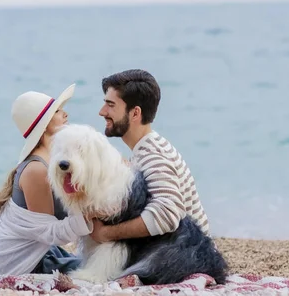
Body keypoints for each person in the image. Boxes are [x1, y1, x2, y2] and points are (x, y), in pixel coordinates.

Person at [0, 83, 93, 281]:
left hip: (38, 251)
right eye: (58, 111)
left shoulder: (51, 160)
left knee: (102, 264)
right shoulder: (37, 170)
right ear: (43, 124)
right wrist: (90, 214)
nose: (65, 114)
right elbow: (50, 233)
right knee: (107, 273)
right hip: (13, 265)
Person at [90, 69, 210, 244]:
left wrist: (106, 234)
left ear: (135, 113)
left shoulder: (153, 155)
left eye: (111, 105)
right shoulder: (146, 149)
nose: (102, 112)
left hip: (189, 253)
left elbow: (167, 214)